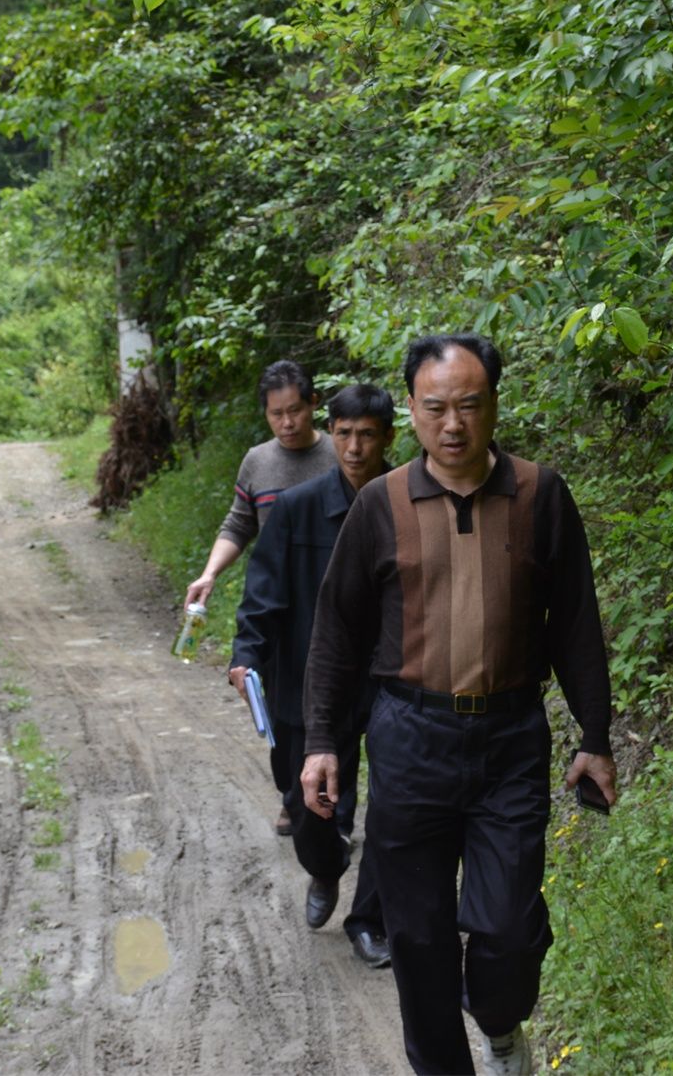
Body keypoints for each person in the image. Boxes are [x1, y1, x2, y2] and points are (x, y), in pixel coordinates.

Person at [300, 334, 617, 1076]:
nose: (453, 424)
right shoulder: (379, 505)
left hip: (509, 738)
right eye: (435, 406)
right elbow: (337, 632)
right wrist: (322, 740)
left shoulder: (541, 495)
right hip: (410, 737)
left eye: (469, 405)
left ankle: (501, 1023)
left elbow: (575, 621)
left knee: (507, 927)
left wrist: (594, 734)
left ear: (494, 405)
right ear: (409, 408)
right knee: (418, 938)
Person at [230, 384, 395, 968]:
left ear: (388, 438)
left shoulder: (408, 503)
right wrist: (247, 651)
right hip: (306, 679)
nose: (353, 447)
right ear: (333, 433)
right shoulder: (297, 508)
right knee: (309, 811)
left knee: (395, 807)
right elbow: (263, 593)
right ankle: (325, 869)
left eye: (367, 435)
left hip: (391, 682)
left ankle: (370, 921)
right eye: (345, 434)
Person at [186, 358, 334, 834]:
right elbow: (238, 523)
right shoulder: (258, 461)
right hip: (275, 610)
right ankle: (292, 795)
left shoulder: (340, 456)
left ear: (314, 404)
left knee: (334, 710)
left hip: (331, 606)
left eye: (295, 410)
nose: (287, 423)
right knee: (281, 712)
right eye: (276, 414)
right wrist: (210, 573)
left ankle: (335, 811)